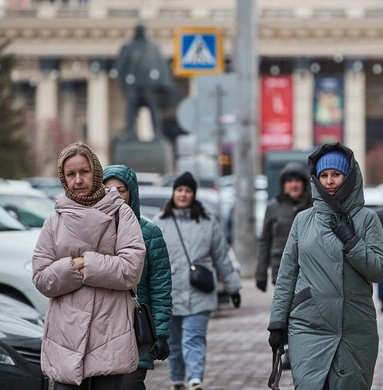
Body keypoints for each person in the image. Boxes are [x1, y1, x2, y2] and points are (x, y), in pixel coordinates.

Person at [268, 143, 383, 390]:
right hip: (309, 325)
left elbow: (380, 270)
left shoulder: (366, 219)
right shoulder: (303, 220)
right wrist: (278, 322)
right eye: (323, 175)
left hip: (354, 328)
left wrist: (351, 241)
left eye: (336, 174)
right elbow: (287, 274)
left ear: (349, 176)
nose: (330, 181)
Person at [32, 142, 146, 389]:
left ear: (96, 172)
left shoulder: (120, 214)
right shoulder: (55, 220)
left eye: (84, 171)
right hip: (66, 338)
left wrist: (88, 263)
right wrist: (74, 266)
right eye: (70, 174)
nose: (78, 180)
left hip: (109, 335)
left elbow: (131, 269)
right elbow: (41, 278)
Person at [152, 172, 242, 390]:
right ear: (174, 192)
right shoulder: (159, 223)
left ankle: (195, 379)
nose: (183, 194)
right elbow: (151, 261)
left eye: (188, 191)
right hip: (169, 294)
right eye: (180, 190)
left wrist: (233, 287)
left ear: (194, 194)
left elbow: (221, 257)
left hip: (200, 292)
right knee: (173, 342)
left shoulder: (207, 222)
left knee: (194, 338)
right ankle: (176, 380)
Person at [103, 165, 173, 390]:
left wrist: (160, 333)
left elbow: (160, 287)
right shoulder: (92, 231)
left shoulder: (150, 234)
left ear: (132, 192)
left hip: (135, 331)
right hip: (100, 331)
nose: (115, 196)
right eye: (107, 190)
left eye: (121, 190)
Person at [256, 162, 312, 291]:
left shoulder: (313, 205)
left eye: (298, 180)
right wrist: (261, 274)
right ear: (283, 185)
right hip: (281, 269)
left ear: (304, 183)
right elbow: (264, 241)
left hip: (310, 269)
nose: (294, 185)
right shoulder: (273, 207)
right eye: (289, 181)